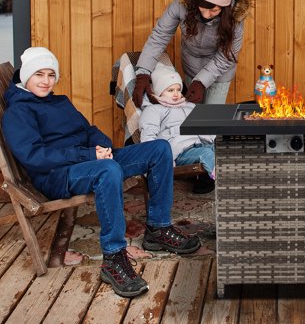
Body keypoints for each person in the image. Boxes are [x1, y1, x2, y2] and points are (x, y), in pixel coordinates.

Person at [2, 47, 201, 298]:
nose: (46, 81)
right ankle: (114, 257)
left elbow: (87, 130)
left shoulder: (59, 101)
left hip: (89, 160)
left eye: (51, 75)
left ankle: (158, 229)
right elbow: (36, 157)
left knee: (159, 149)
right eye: (39, 74)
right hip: (56, 176)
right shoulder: (18, 112)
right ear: (26, 76)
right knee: (108, 170)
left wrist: (102, 146)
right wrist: (88, 155)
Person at [132, 0, 251, 107]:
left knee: (212, 114)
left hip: (220, 70)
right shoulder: (182, 3)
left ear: (225, 8)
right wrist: (143, 73)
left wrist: (201, 82)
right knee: (192, 111)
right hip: (191, 64)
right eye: (203, 7)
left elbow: (227, 55)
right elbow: (159, 36)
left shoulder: (235, 16)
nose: (206, 15)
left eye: (214, 10)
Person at [139, 63, 216, 191]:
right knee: (206, 154)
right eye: (170, 90)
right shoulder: (154, 110)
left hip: (202, 143)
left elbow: (204, 125)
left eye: (178, 89)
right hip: (180, 151)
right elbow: (148, 135)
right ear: (159, 91)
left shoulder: (189, 106)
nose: (176, 94)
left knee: (224, 148)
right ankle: (221, 180)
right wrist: (156, 161)